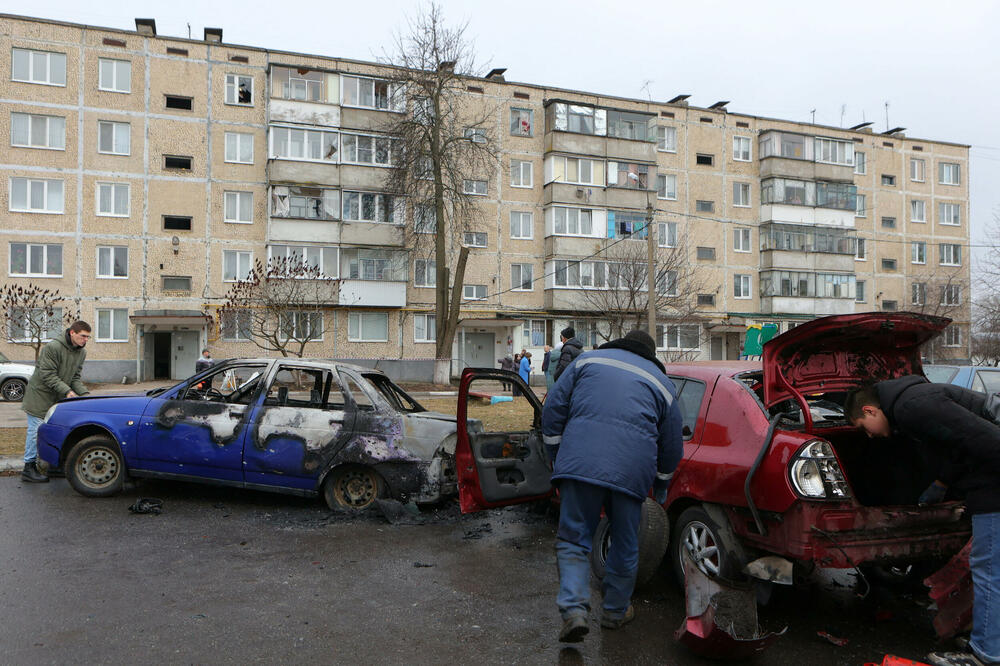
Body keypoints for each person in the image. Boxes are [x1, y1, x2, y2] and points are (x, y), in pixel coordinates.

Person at [845, 376, 1000, 666]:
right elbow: (958, 444)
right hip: (988, 480)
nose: (869, 436)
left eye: (863, 428)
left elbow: (982, 438)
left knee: (989, 569)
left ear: (869, 411)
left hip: (993, 484)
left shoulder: (911, 407)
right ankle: (991, 641)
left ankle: (986, 656)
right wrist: (942, 483)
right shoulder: (912, 400)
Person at [542, 329, 683, 642]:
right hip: (631, 474)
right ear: (650, 354)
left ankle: (575, 610)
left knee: (574, 539)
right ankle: (615, 612)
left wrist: (555, 453)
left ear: (619, 344)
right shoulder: (662, 383)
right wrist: (661, 485)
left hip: (580, 464)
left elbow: (553, 409)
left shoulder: (585, 361)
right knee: (624, 542)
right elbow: (672, 445)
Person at [20, 320, 92, 483]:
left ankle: (53, 465)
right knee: (35, 432)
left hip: (57, 398)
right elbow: (47, 374)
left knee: (56, 431)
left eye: (88, 337)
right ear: (72, 333)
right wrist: (67, 391)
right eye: (83, 336)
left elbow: (75, 378)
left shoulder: (81, 352)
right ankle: (28, 467)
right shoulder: (53, 347)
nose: (85, 340)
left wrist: (86, 395)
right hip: (40, 396)